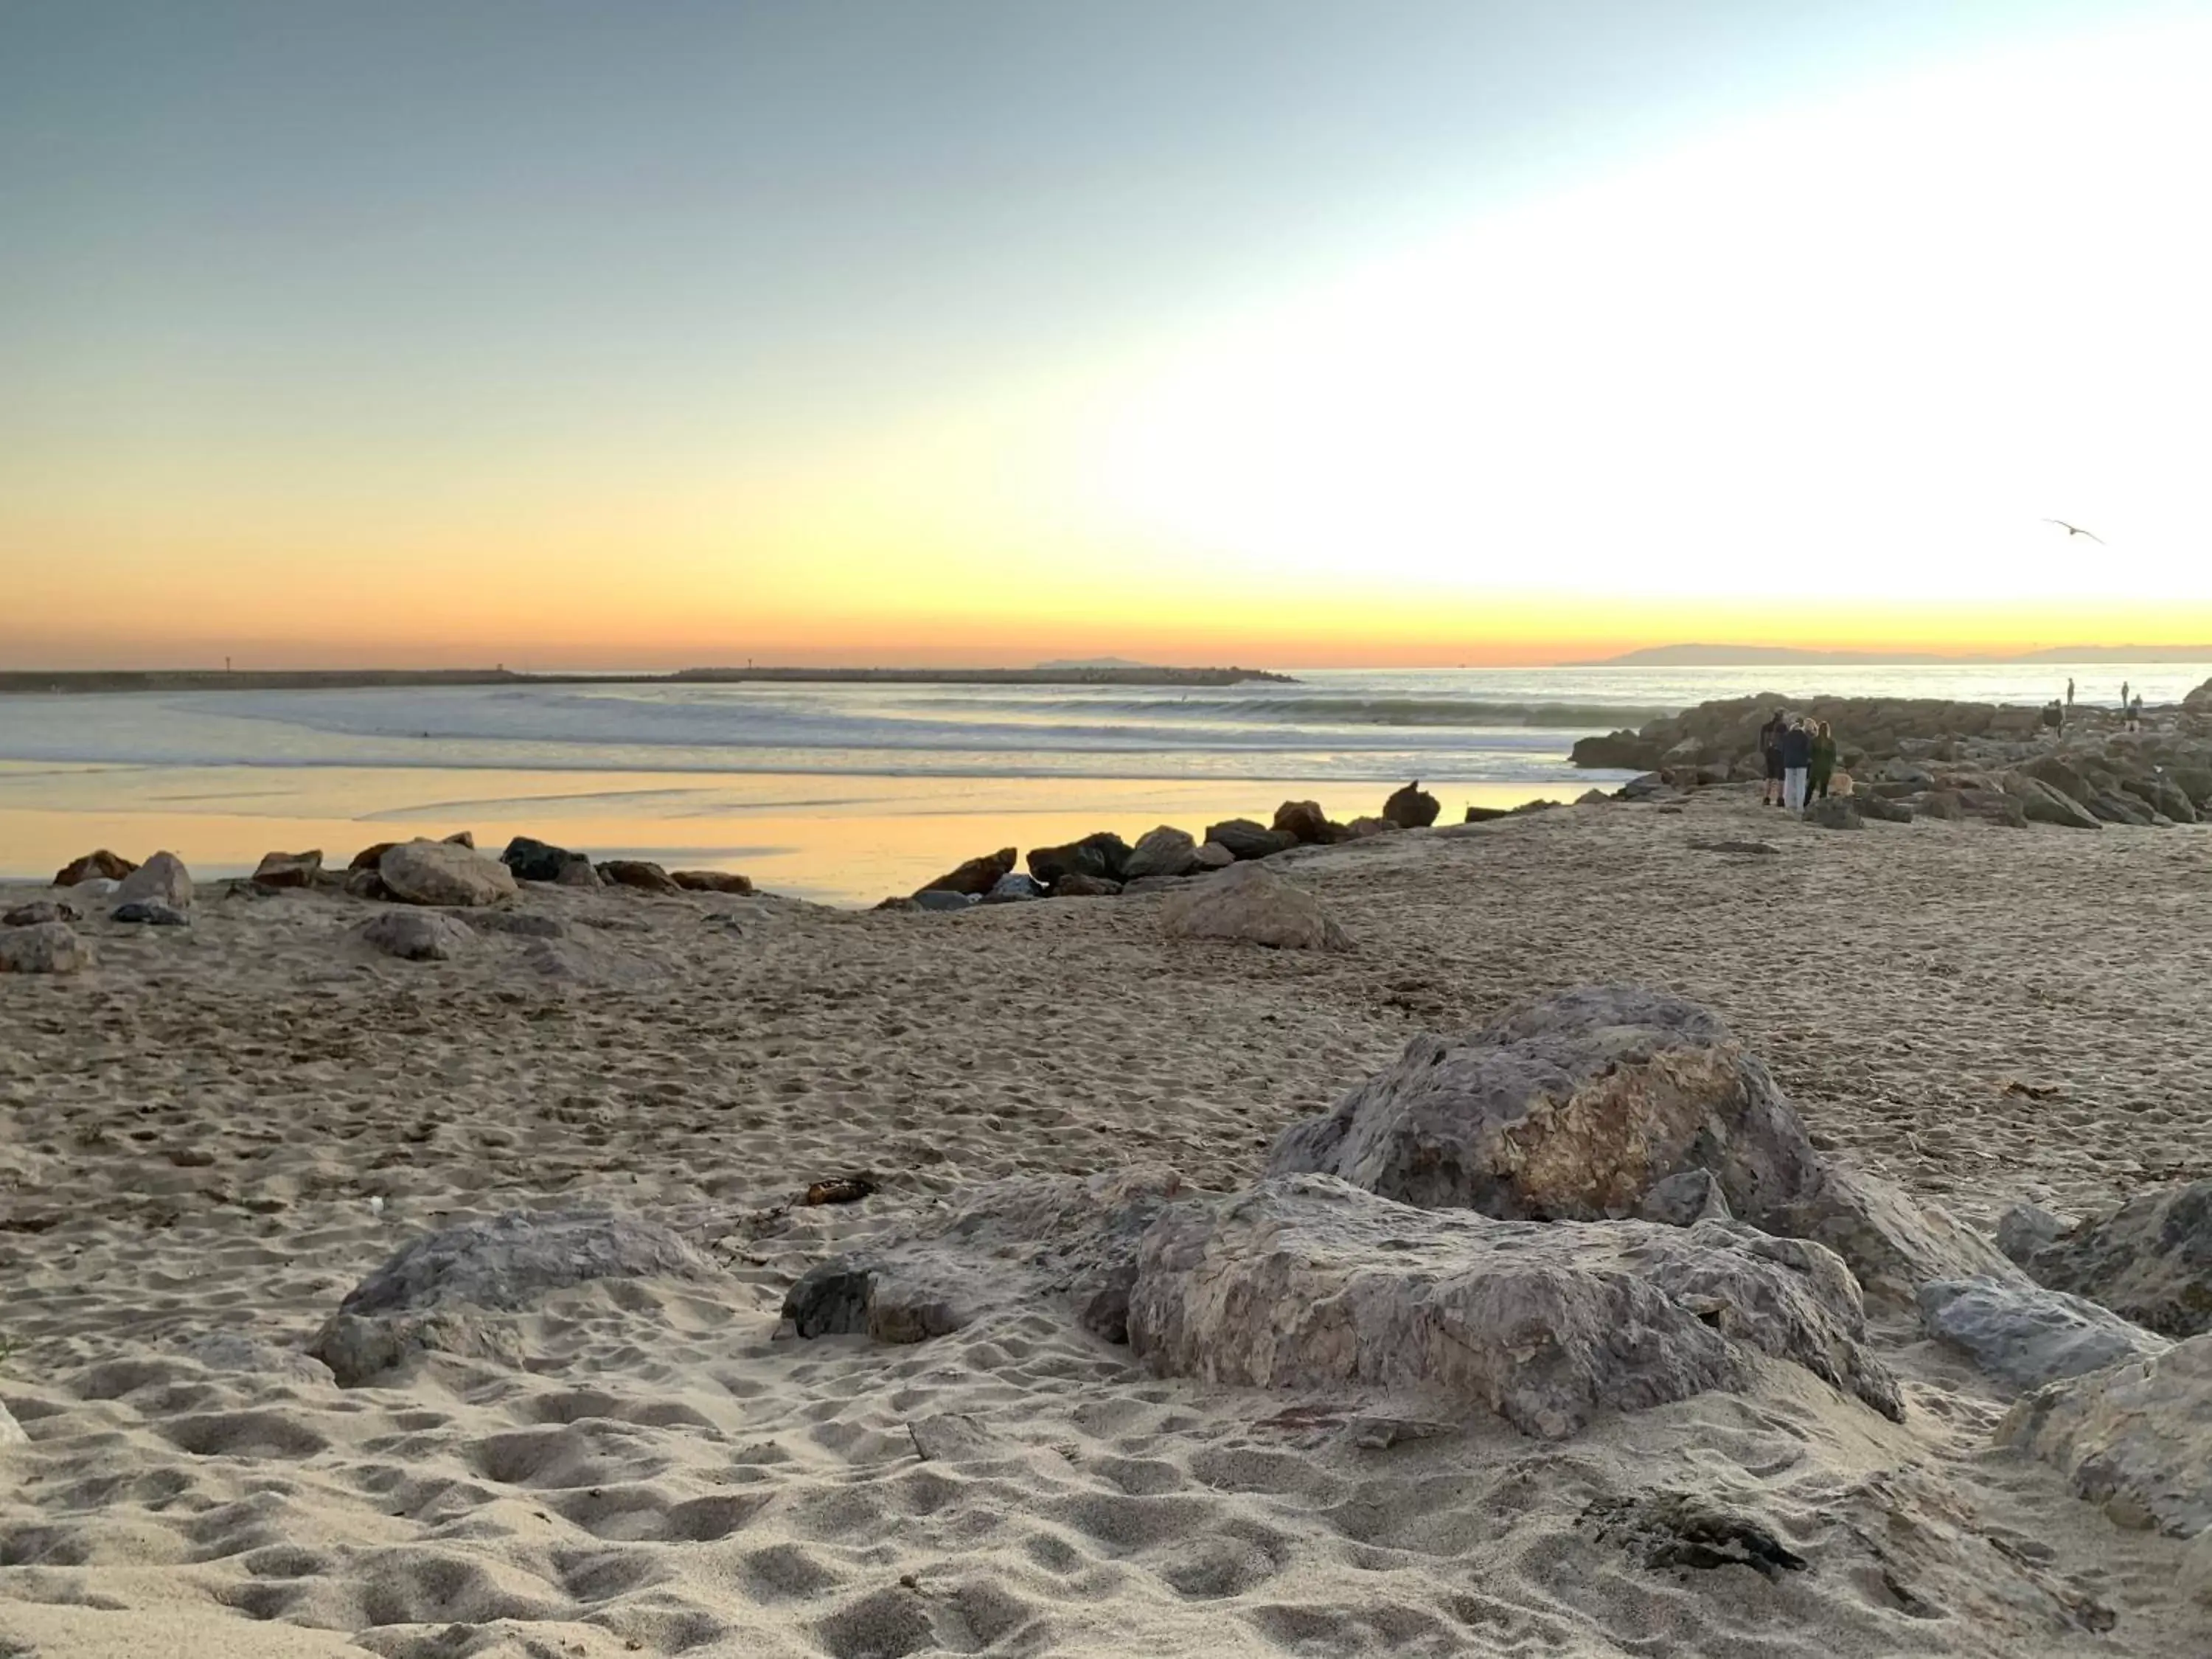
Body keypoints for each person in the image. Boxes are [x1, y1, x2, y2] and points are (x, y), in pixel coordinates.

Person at [1781, 717, 1814, 811]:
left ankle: (1788, 804)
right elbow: (1808, 750)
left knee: (1789, 783)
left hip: (1788, 762)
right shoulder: (1804, 737)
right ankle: (1800, 806)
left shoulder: (1786, 736)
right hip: (1801, 763)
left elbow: (1782, 749)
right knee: (1800, 784)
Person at [1758, 708, 1788, 807]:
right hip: (1780, 753)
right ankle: (1780, 798)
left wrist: (1764, 751)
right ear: (1782, 717)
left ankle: (1766, 798)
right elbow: (1786, 741)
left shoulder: (1765, 727)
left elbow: (1761, 742)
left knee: (1769, 776)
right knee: (1781, 777)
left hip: (1768, 752)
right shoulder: (1783, 727)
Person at [1809, 720, 1837, 799]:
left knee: (1811, 787)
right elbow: (1833, 756)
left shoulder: (1814, 741)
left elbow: (1810, 753)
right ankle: (1822, 805)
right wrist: (1831, 766)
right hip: (1826, 767)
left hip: (1816, 766)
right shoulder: (1831, 742)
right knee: (1824, 788)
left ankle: (1805, 804)